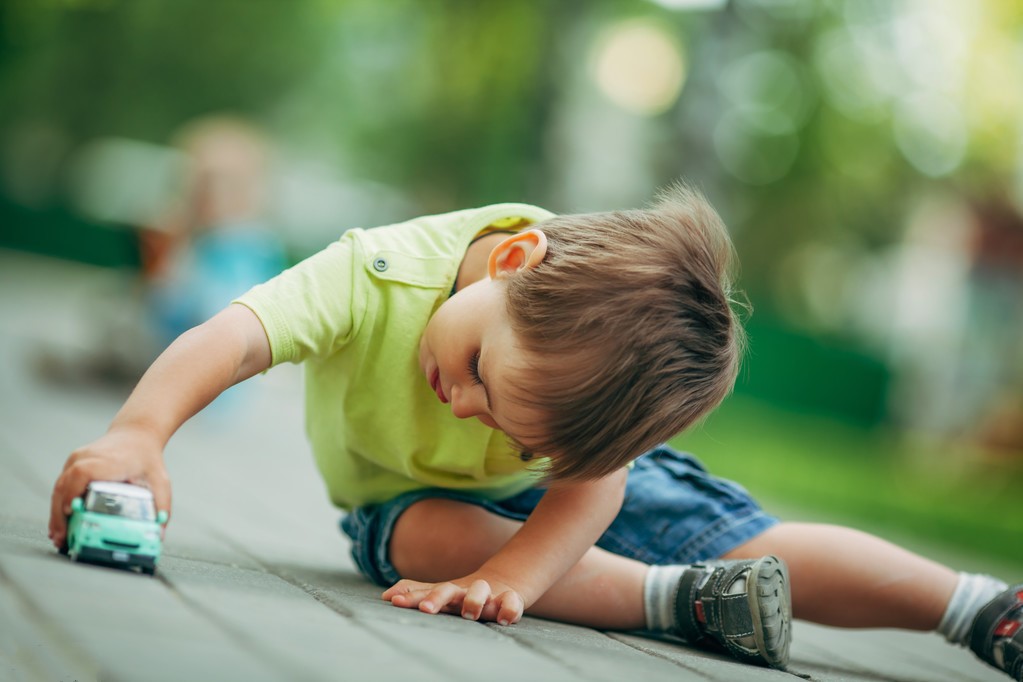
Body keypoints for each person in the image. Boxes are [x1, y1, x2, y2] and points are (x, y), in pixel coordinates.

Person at [48, 185, 1022, 679]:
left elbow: (592, 483)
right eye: (480, 373)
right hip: (413, 496)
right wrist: (142, 430)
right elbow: (235, 334)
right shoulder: (378, 273)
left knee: (748, 537)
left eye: (523, 430)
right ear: (509, 260)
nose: (467, 406)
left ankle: (979, 607)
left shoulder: (582, 392)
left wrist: (528, 572)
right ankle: (676, 600)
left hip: (578, 488)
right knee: (430, 537)